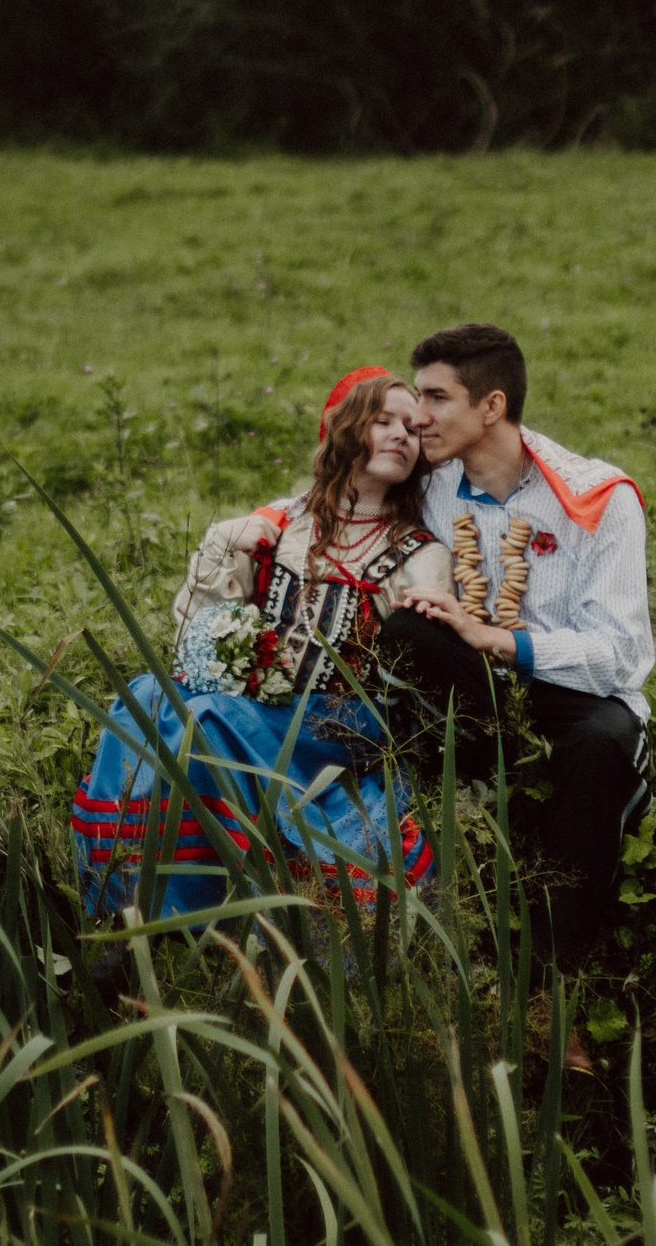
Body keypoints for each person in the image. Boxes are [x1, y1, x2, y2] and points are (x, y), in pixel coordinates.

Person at [71, 367, 453, 917]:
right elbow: (194, 630)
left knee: (208, 720)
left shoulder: (419, 553)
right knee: (145, 699)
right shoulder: (284, 524)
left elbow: (419, 665)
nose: (401, 435)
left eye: (411, 429)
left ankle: (188, 906)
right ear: (342, 430)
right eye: (382, 421)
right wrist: (224, 546)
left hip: (339, 723)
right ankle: (122, 894)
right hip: (258, 705)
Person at [380, 322, 654, 968]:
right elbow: (342, 485)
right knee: (404, 632)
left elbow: (620, 655)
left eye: (437, 397)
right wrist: (268, 519)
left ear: (492, 405)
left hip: (568, 691)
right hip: (476, 697)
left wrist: (499, 640)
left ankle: (557, 973)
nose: (418, 417)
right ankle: (491, 779)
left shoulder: (599, 498)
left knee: (602, 738)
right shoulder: (431, 482)